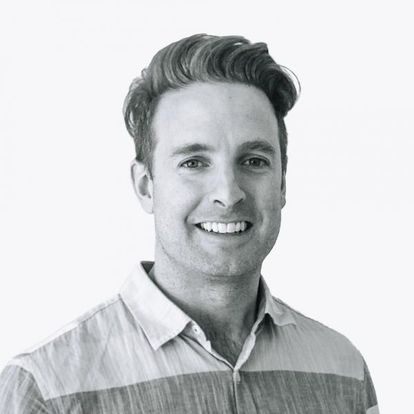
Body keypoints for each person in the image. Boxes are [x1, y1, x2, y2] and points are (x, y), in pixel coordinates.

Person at [0, 34, 379, 413]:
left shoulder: (342, 370)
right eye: (194, 163)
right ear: (145, 186)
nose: (228, 194)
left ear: (281, 184)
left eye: (254, 161)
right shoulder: (46, 389)